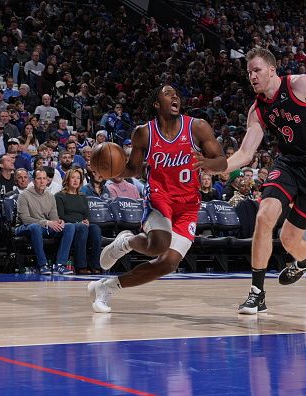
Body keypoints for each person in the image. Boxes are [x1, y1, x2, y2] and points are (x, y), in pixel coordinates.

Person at [195, 48, 306, 314]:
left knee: (290, 239)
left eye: (257, 70)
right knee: (264, 215)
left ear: (272, 70)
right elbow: (246, 154)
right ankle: (257, 294)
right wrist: (216, 167)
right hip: (289, 164)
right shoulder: (257, 110)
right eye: (249, 73)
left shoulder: (299, 84)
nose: (252, 76)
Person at [89, 85, 226, 313]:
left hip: (188, 204)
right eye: (167, 93)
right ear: (156, 104)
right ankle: (127, 242)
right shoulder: (144, 133)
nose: (175, 96)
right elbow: (133, 169)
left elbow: (222, 161)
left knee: (168, 263)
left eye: (176, 93)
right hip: (159, 198)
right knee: (158, 246)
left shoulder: (197, 127)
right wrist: (109, 172)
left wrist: (208, 163)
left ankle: (107, 287)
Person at [15, 168, 75, 275]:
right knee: (35, 227)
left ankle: (60, 265)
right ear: (33, 181)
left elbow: (53, 218)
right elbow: (25, 219)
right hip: (24, 227)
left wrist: (58, 222)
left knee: (69, 226)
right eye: (39, 178)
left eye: (44, 178)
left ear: (48, 181)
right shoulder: (24, 195)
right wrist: (47, 223)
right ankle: (42, 264)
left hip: (43, 227)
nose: (42, 181)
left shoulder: (50, 196)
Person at [55, 168, 102, 274]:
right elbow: (60, 216)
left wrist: (87, 221)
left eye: (78, 178)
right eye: (73, 178)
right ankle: (81, 266)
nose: (76, 180)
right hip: (68, 226)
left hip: (82, 224)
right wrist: (79, 223)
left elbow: (87, 215)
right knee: (82, 228)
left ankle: (96, 265)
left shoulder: (83, 197)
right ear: (67, 180)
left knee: (95, 229)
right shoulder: (59, 196)